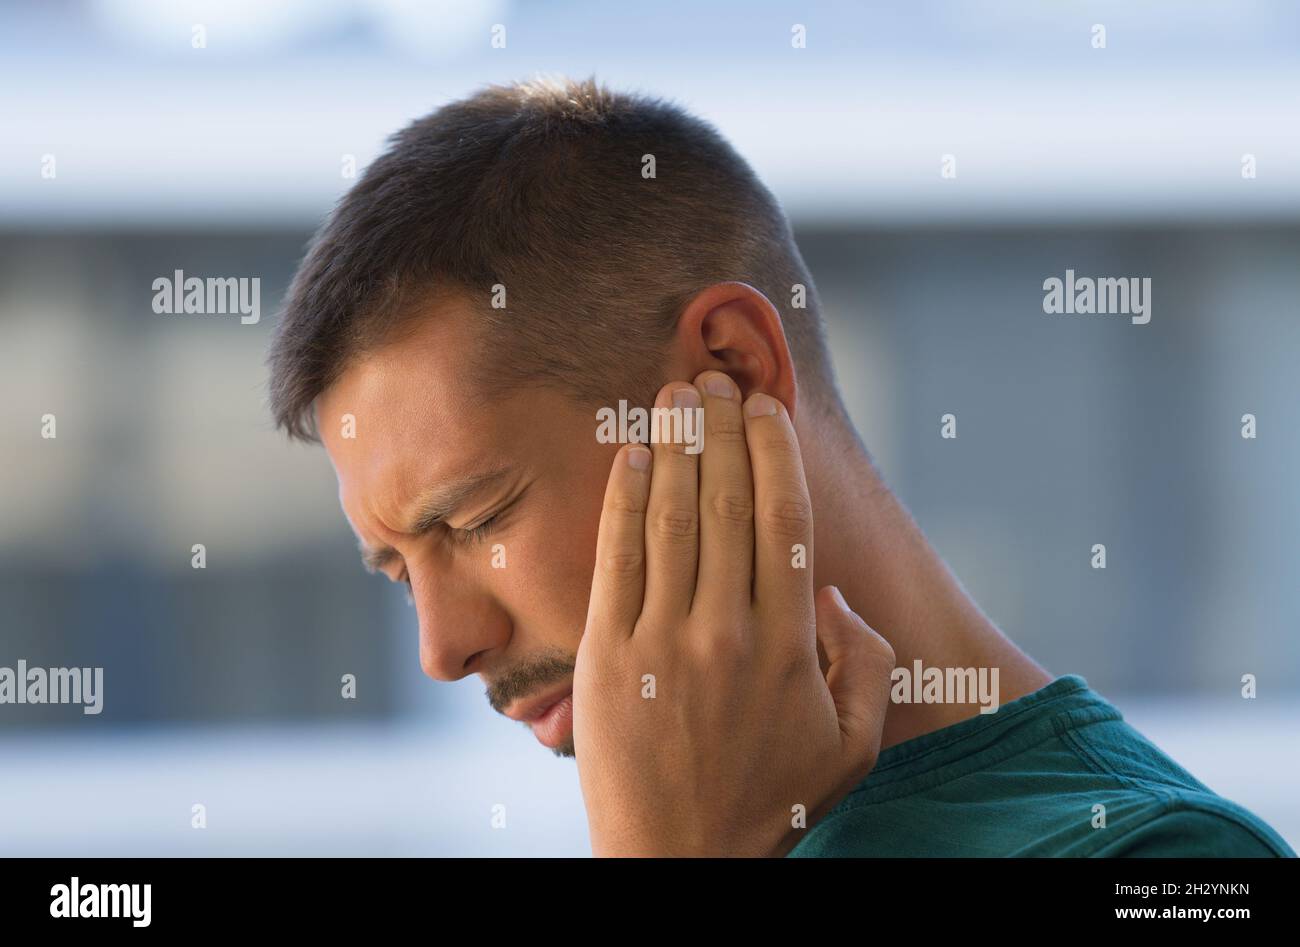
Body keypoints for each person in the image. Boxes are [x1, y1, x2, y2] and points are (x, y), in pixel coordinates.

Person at [267, 76, 1293, 857]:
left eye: (478, 516)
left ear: (733, 367)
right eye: (400, 571)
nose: (442, 650)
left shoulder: (1164, 856)